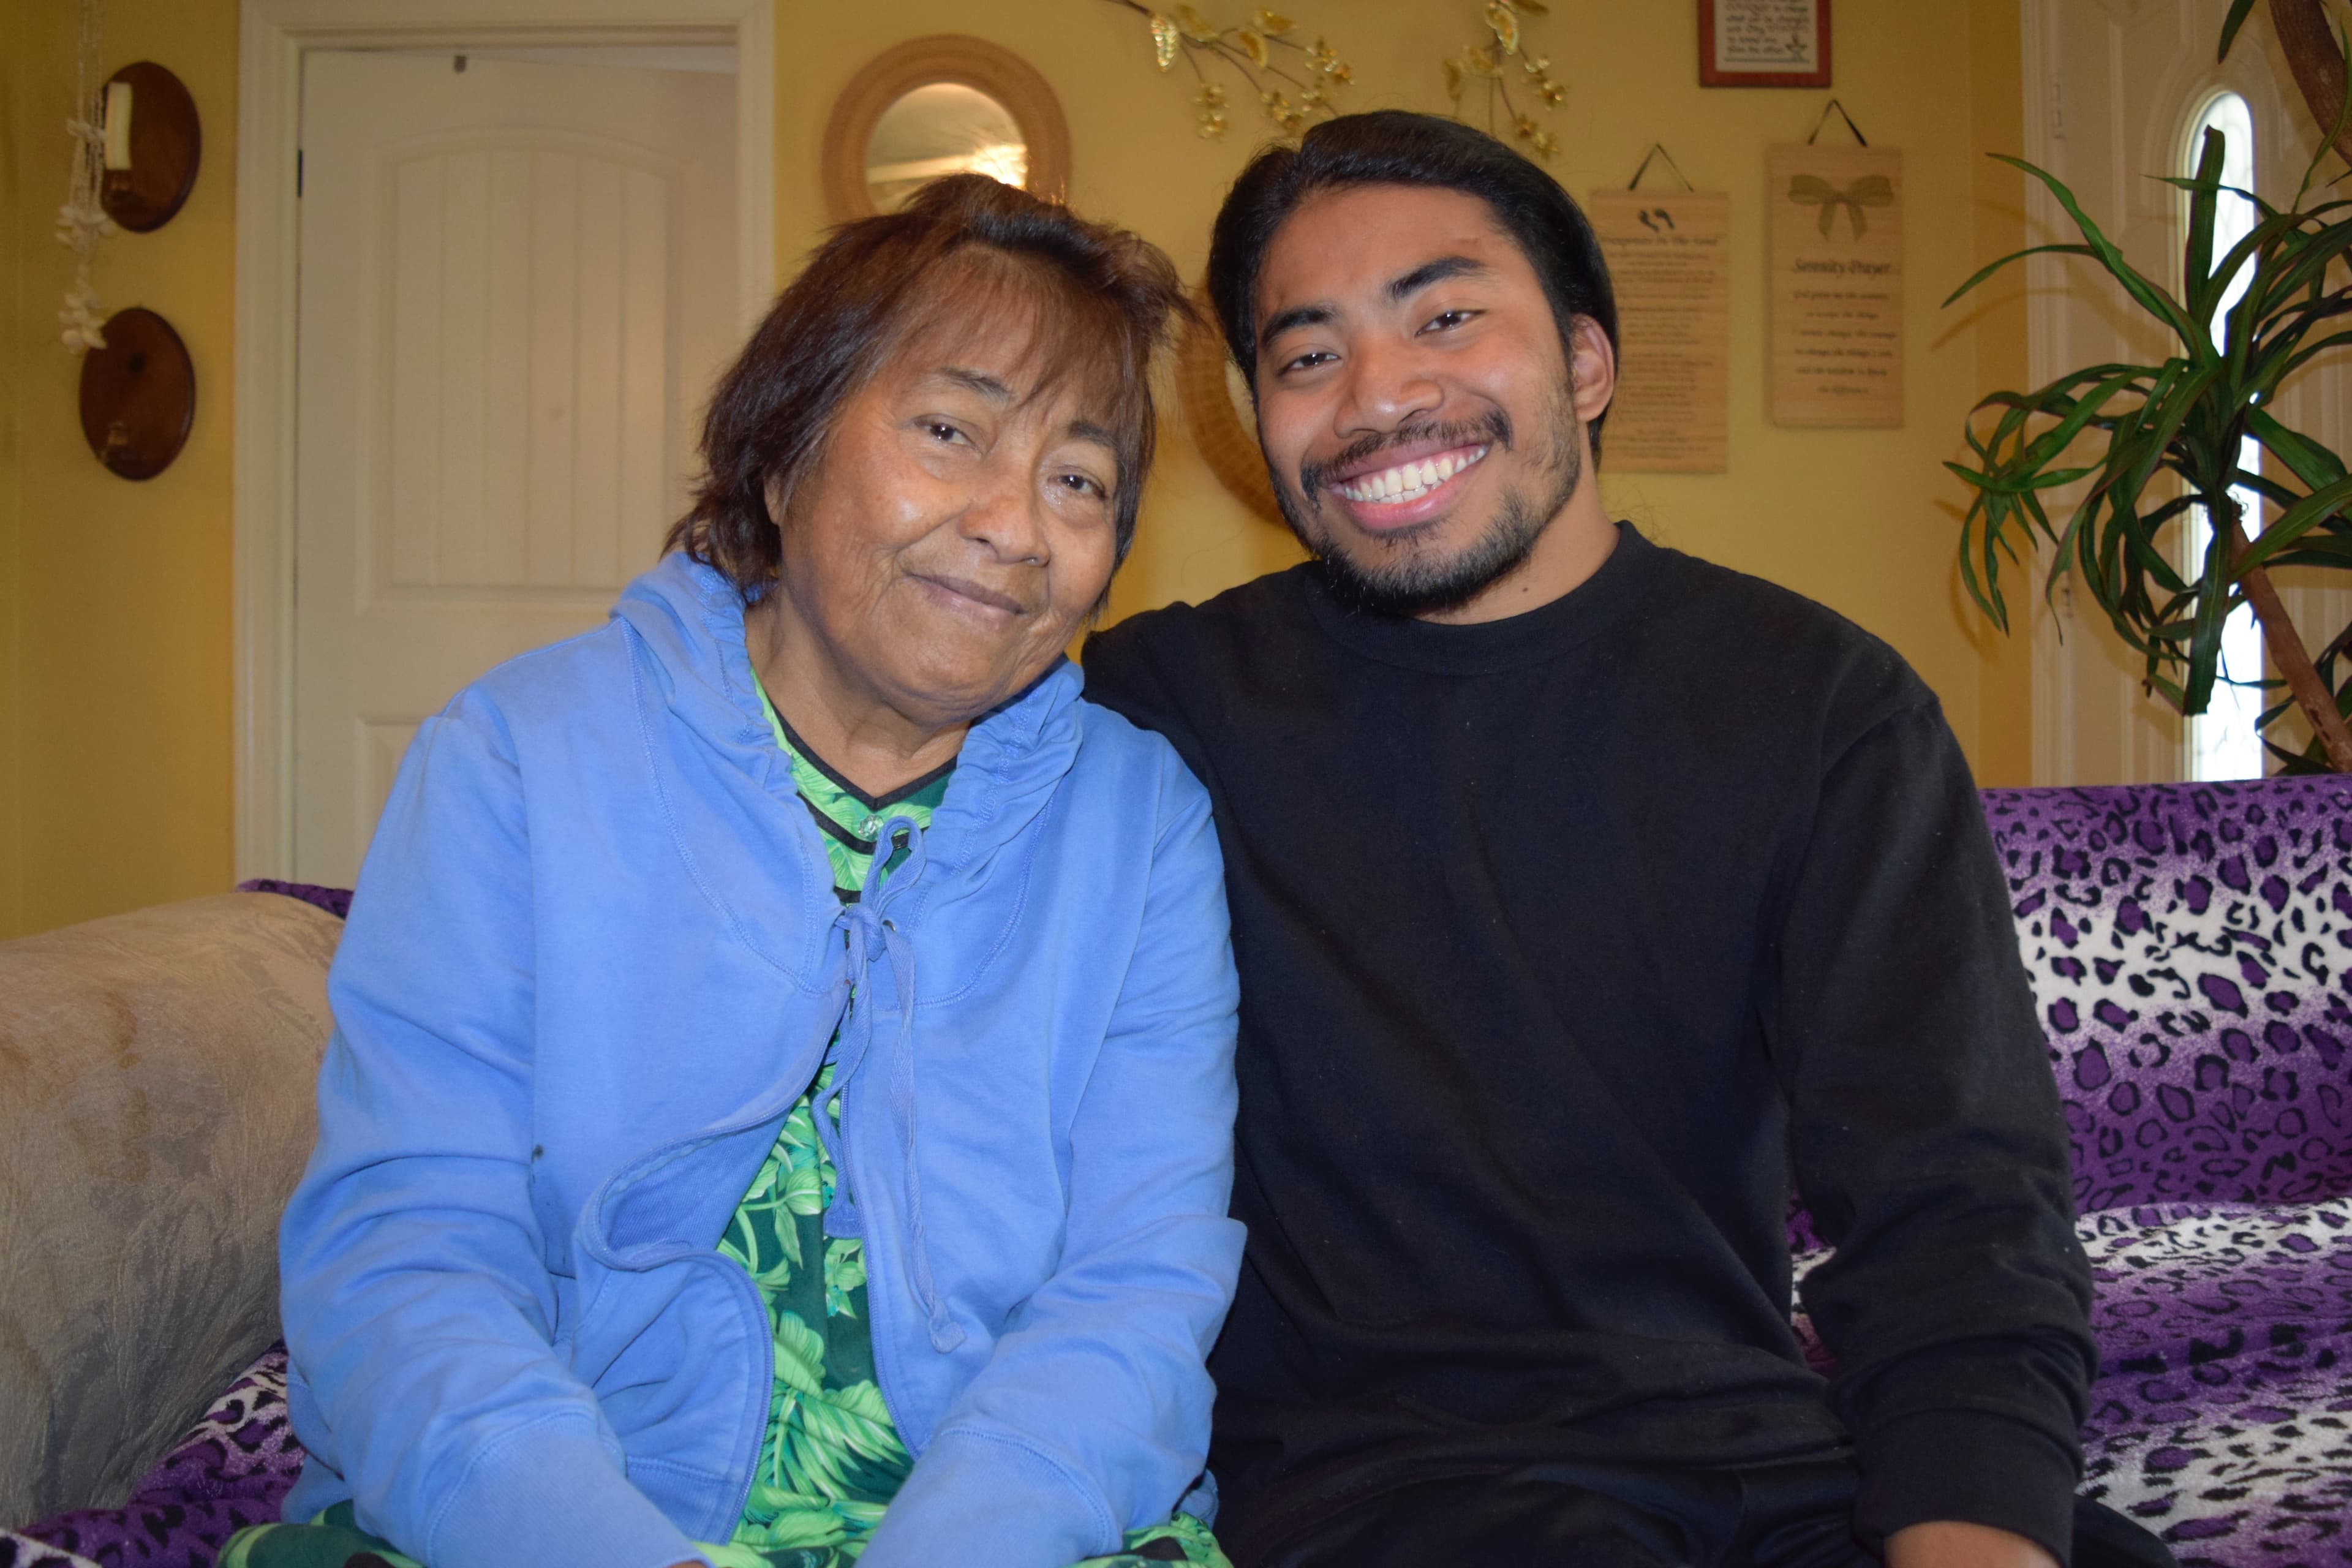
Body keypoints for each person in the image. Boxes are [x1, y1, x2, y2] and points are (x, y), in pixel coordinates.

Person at [1082, 113, 2176, 1568]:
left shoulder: (1821, 707)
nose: (1378, 395)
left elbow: (1958, 1200)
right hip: (1390, 1484)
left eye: (1447, 315)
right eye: (1306, 354)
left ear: (1587, 363)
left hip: (1762, 1458)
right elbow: (850, 731)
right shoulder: (1165, 710)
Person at [224, 176, 1245, 1568]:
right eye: (951, 430)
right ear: (783, 454)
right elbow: (411, 1248)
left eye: (1078, 477)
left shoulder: (1141, 827)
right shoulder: (519, 758)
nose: (1016, 524)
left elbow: (1136, 1289)